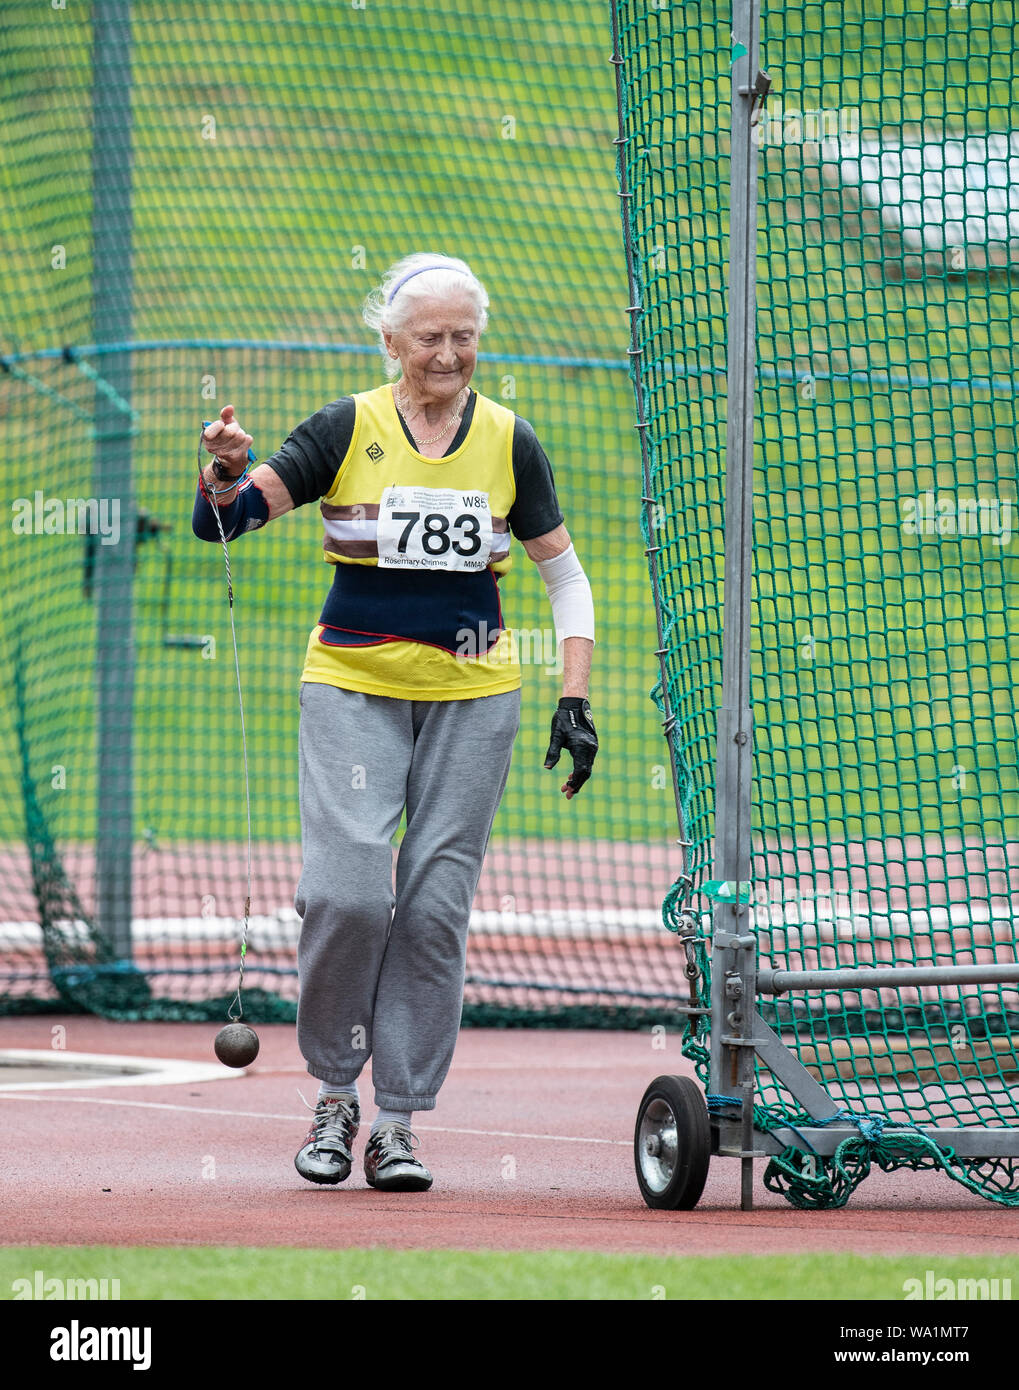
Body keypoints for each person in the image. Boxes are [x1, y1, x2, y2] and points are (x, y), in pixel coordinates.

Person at [192, 252, 597, 1192]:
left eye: (464, 336)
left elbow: (564, 576)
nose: (449, 353)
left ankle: (399, 1122)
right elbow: (227, 521)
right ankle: (335, 1096)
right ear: (389, 341)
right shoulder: (346, 426)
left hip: (474, 699)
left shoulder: (507, 439)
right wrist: (224, 469)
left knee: (432, 910)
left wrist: (572, 697)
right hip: (352, 687)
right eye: (430, 338)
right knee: (346, 895)